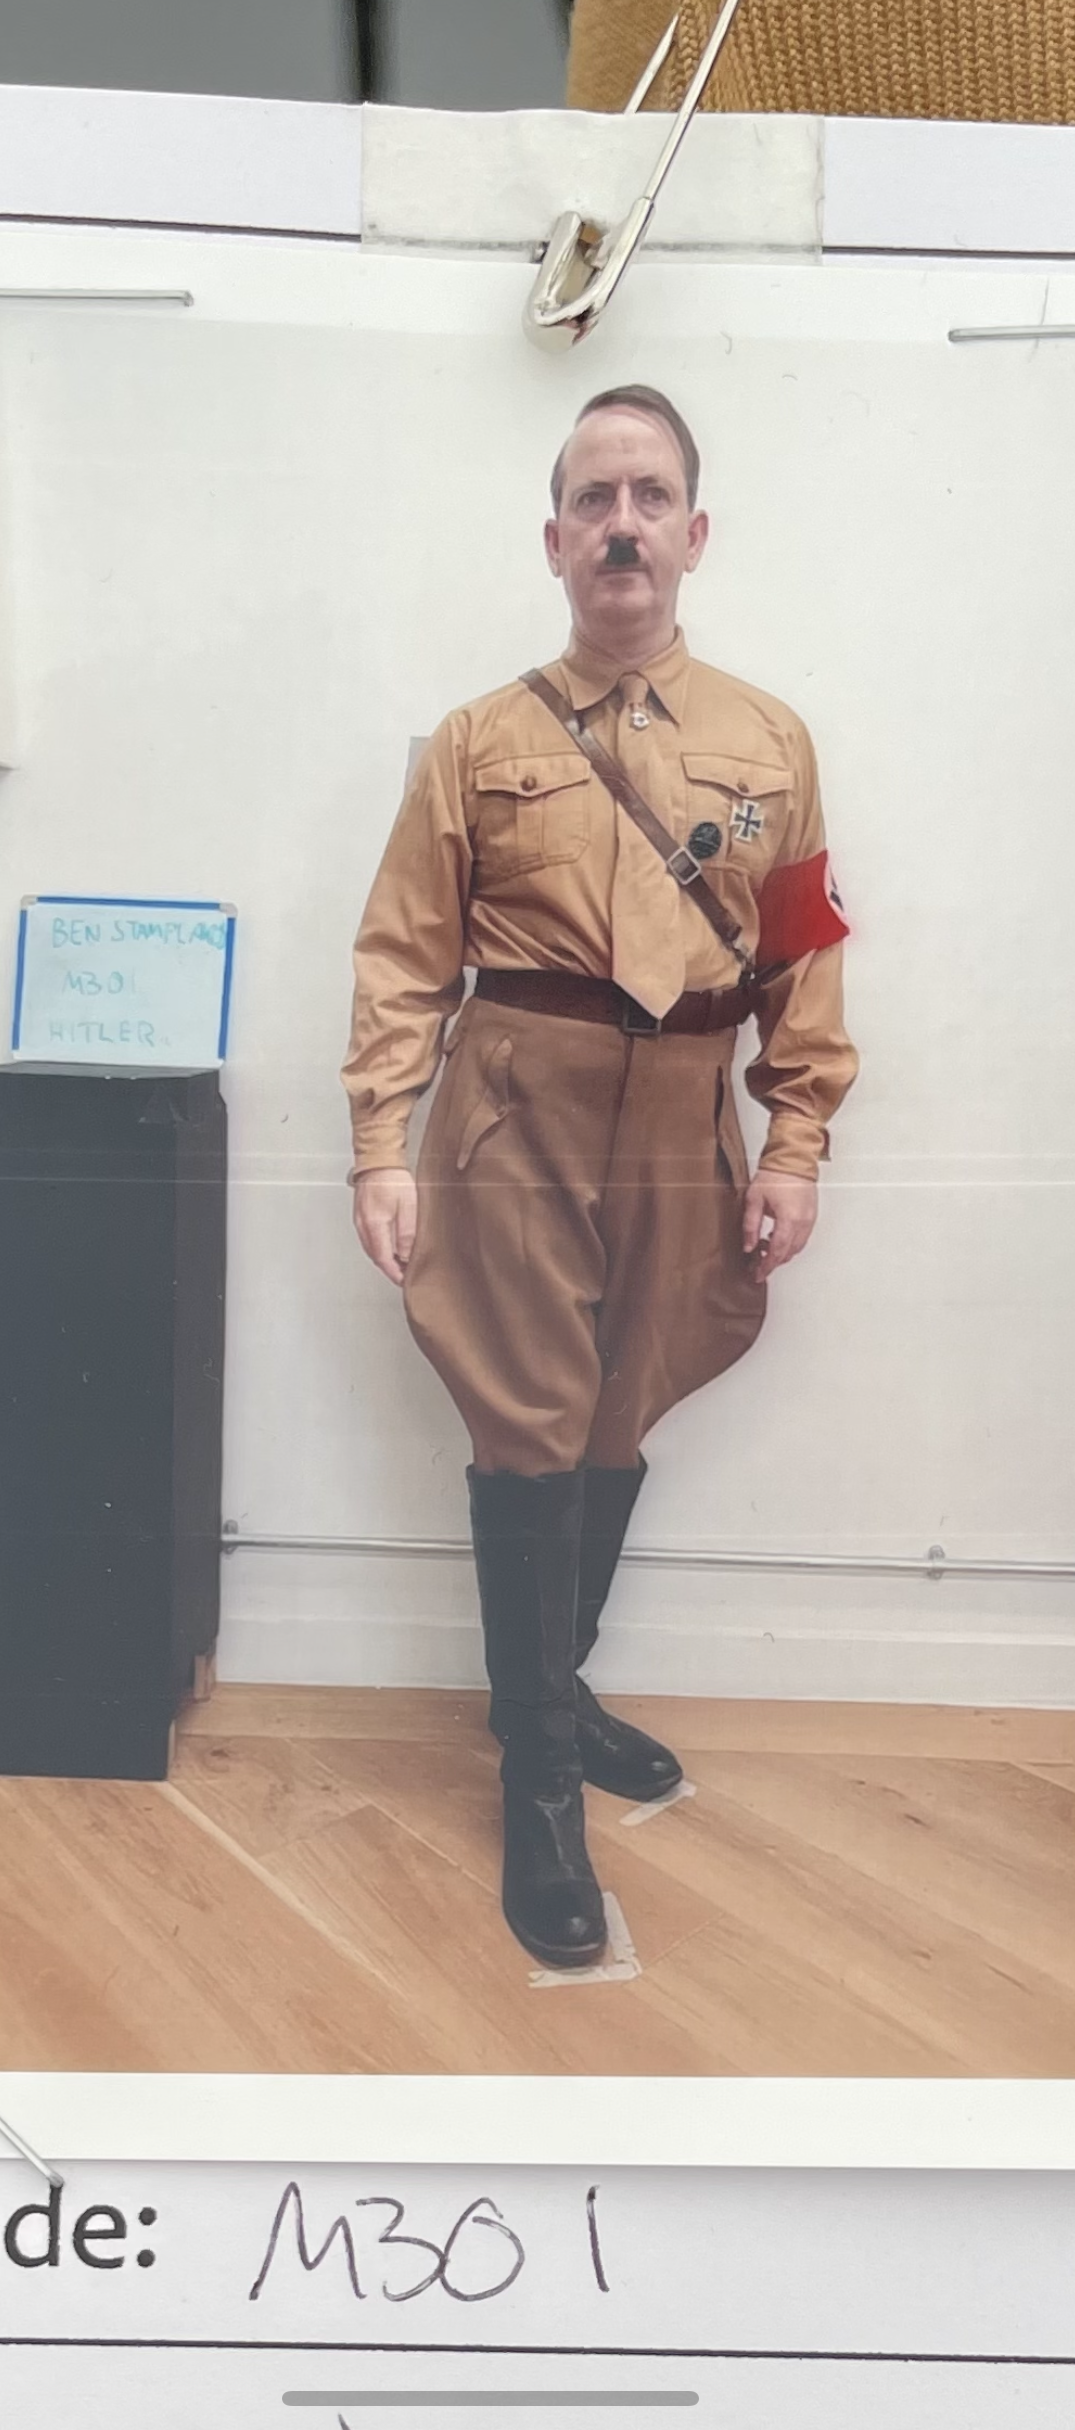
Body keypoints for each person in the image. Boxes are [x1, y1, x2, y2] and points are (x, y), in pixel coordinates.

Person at [342, 385, 858, 1971]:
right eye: (592, 498)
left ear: (693, 534)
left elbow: (803, 957)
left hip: (681, 1109)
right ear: (554, 539)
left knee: (619, 1405)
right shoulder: (476, 742)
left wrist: (795, 1140)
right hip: (515, 1106)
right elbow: (402, 959)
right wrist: (377, 1144)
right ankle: (542, 1785)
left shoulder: (771, 741)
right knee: (526, 1418)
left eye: (646, 498)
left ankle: (544, 1699)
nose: (619, 524)